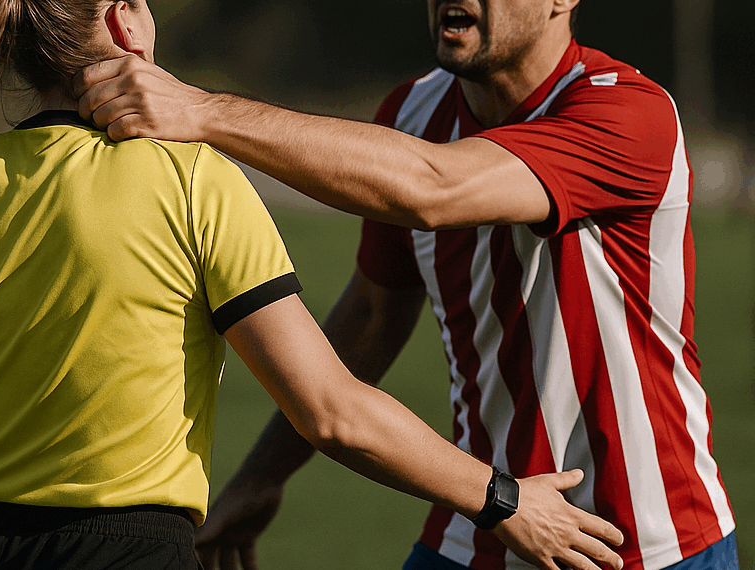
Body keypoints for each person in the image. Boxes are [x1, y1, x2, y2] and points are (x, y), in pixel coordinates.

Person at [0, 1, 625, 569]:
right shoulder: (193, 181)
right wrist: (502, 499)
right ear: (126, 23)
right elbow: (332, 410)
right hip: (135, 554)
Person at [72, 0, 739, 569]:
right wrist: (260, 480)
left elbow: (434, 187)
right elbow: (371, 315)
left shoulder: (628, 112)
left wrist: (200, 110)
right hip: (477, 525)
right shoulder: (412, 115)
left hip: (645, 541)